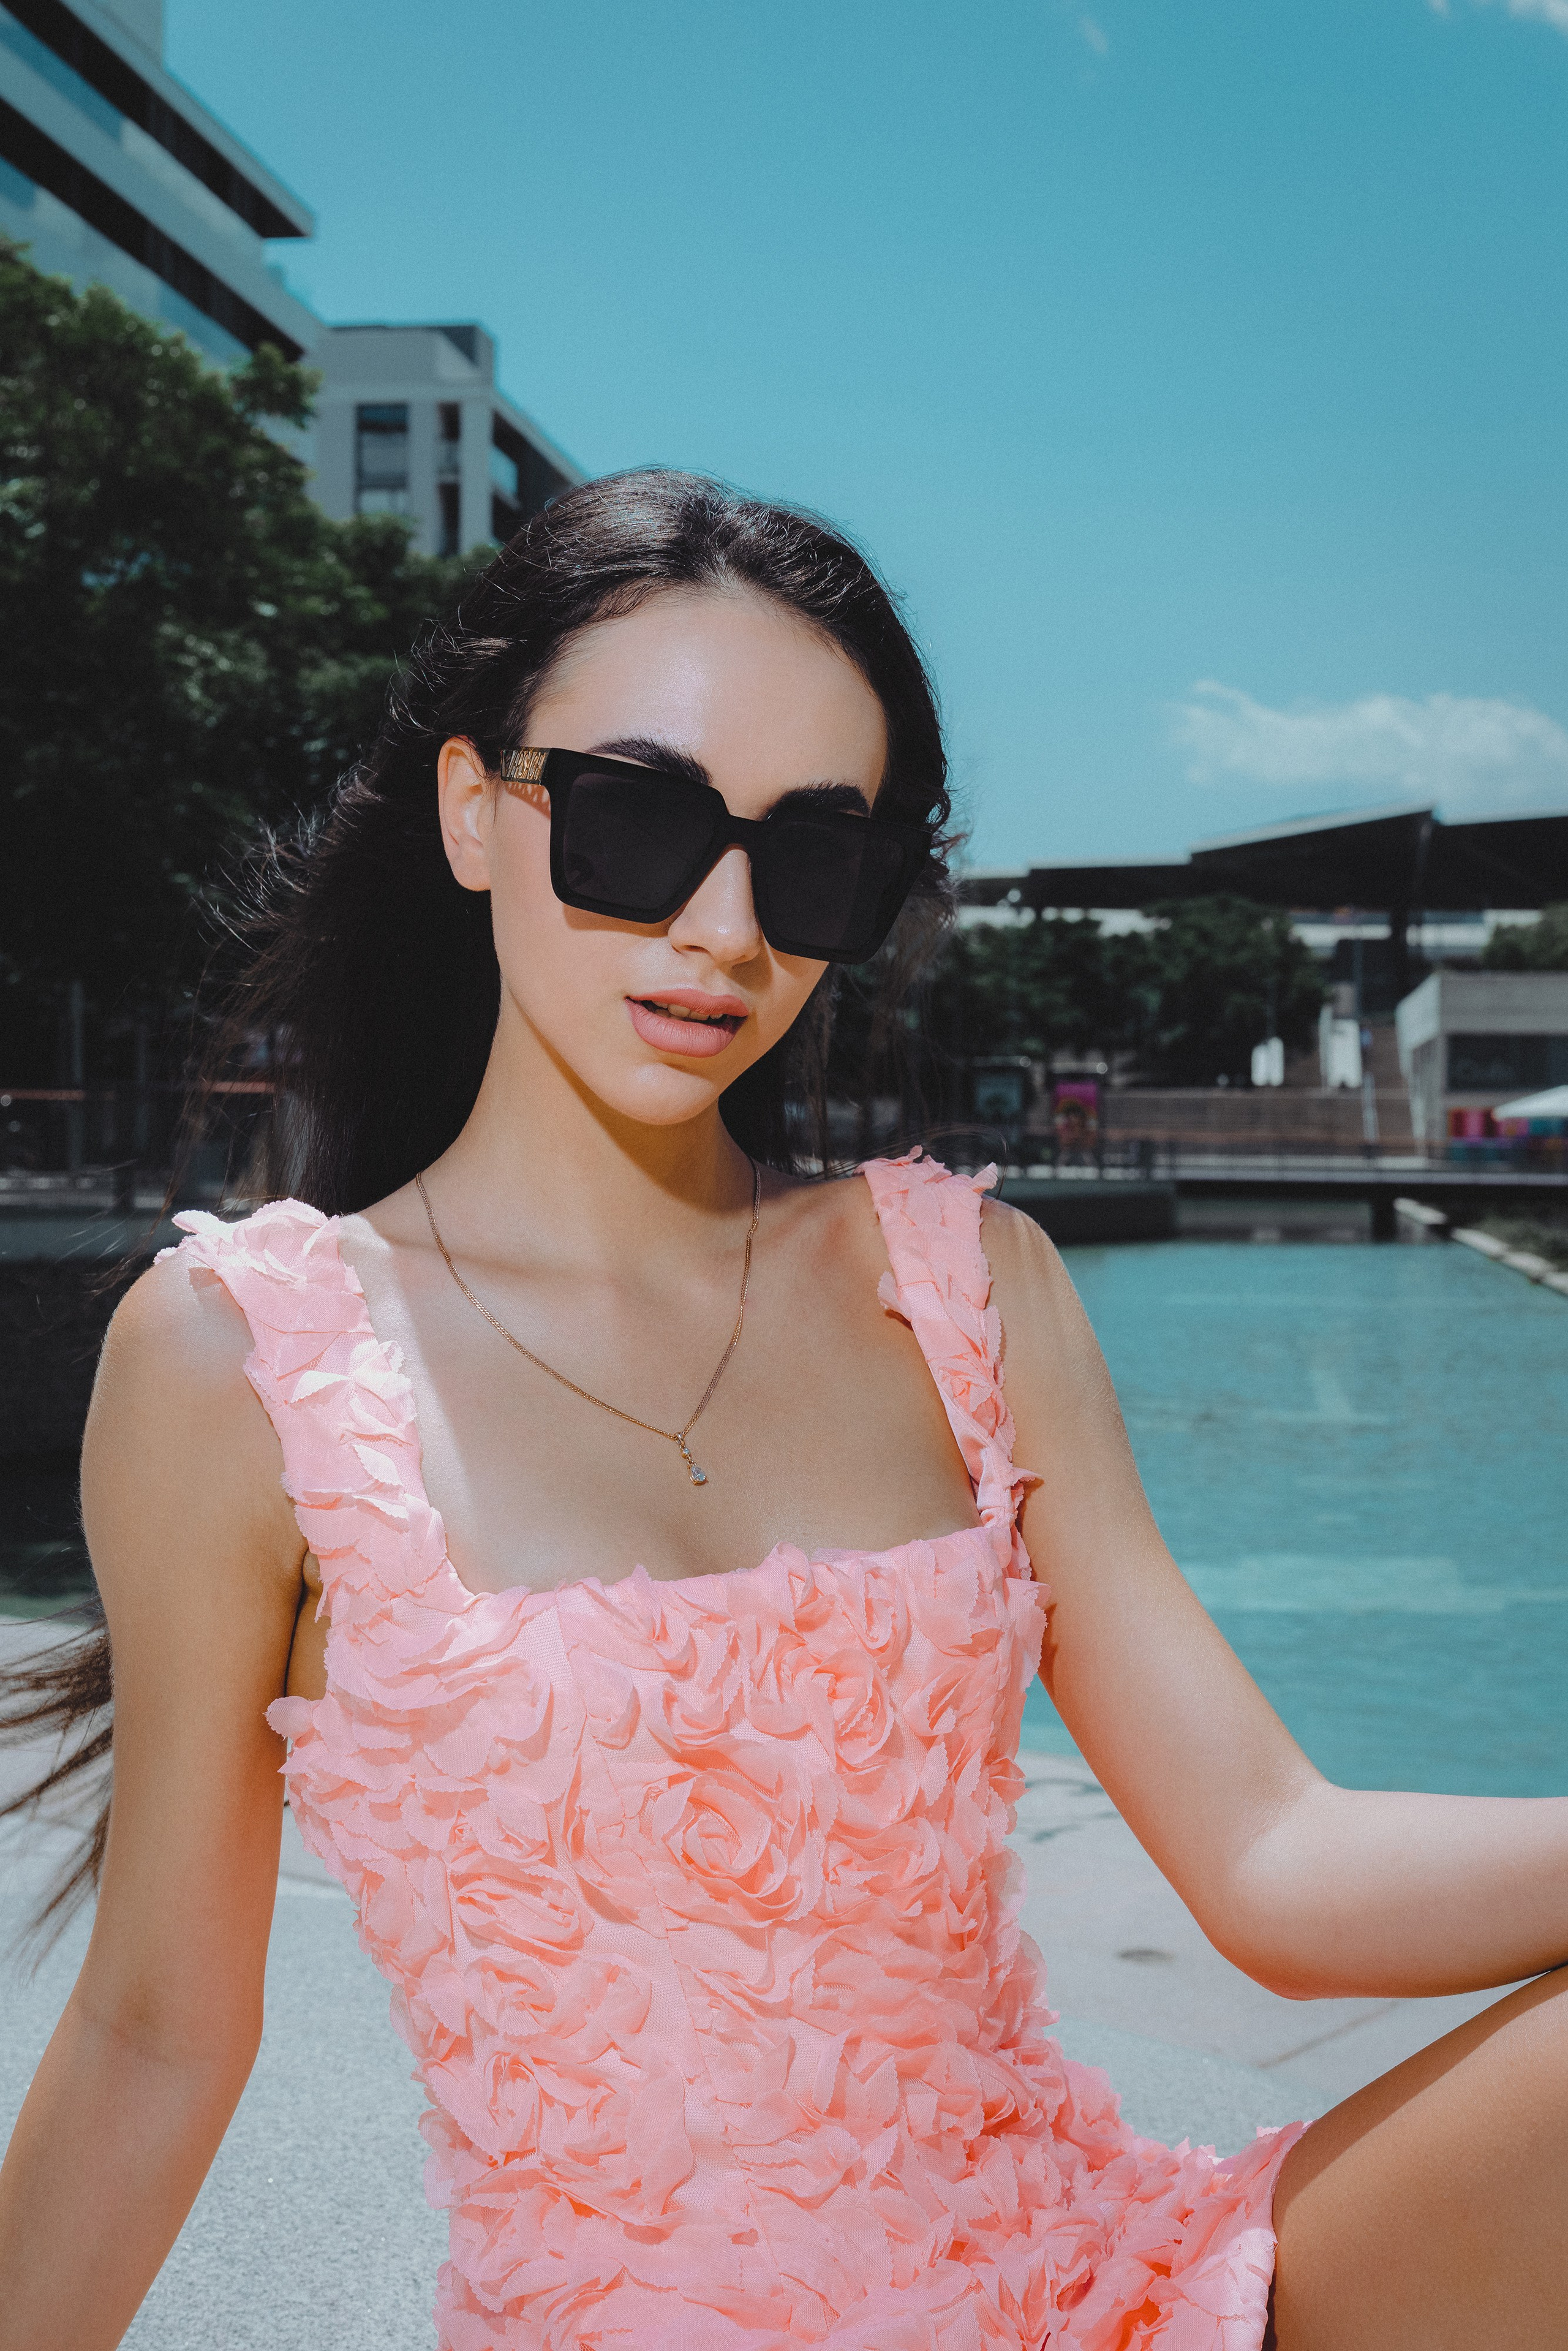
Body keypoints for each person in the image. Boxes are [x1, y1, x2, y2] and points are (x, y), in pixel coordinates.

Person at [0, 472, 1563, 2351]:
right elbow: (158, 2035)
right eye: (642, 817)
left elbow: (1275, 1860)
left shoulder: (967, 1285)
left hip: (1095, 2291)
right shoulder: (240, 1357)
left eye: (819, 857)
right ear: (475, 812)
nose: (728, 927)